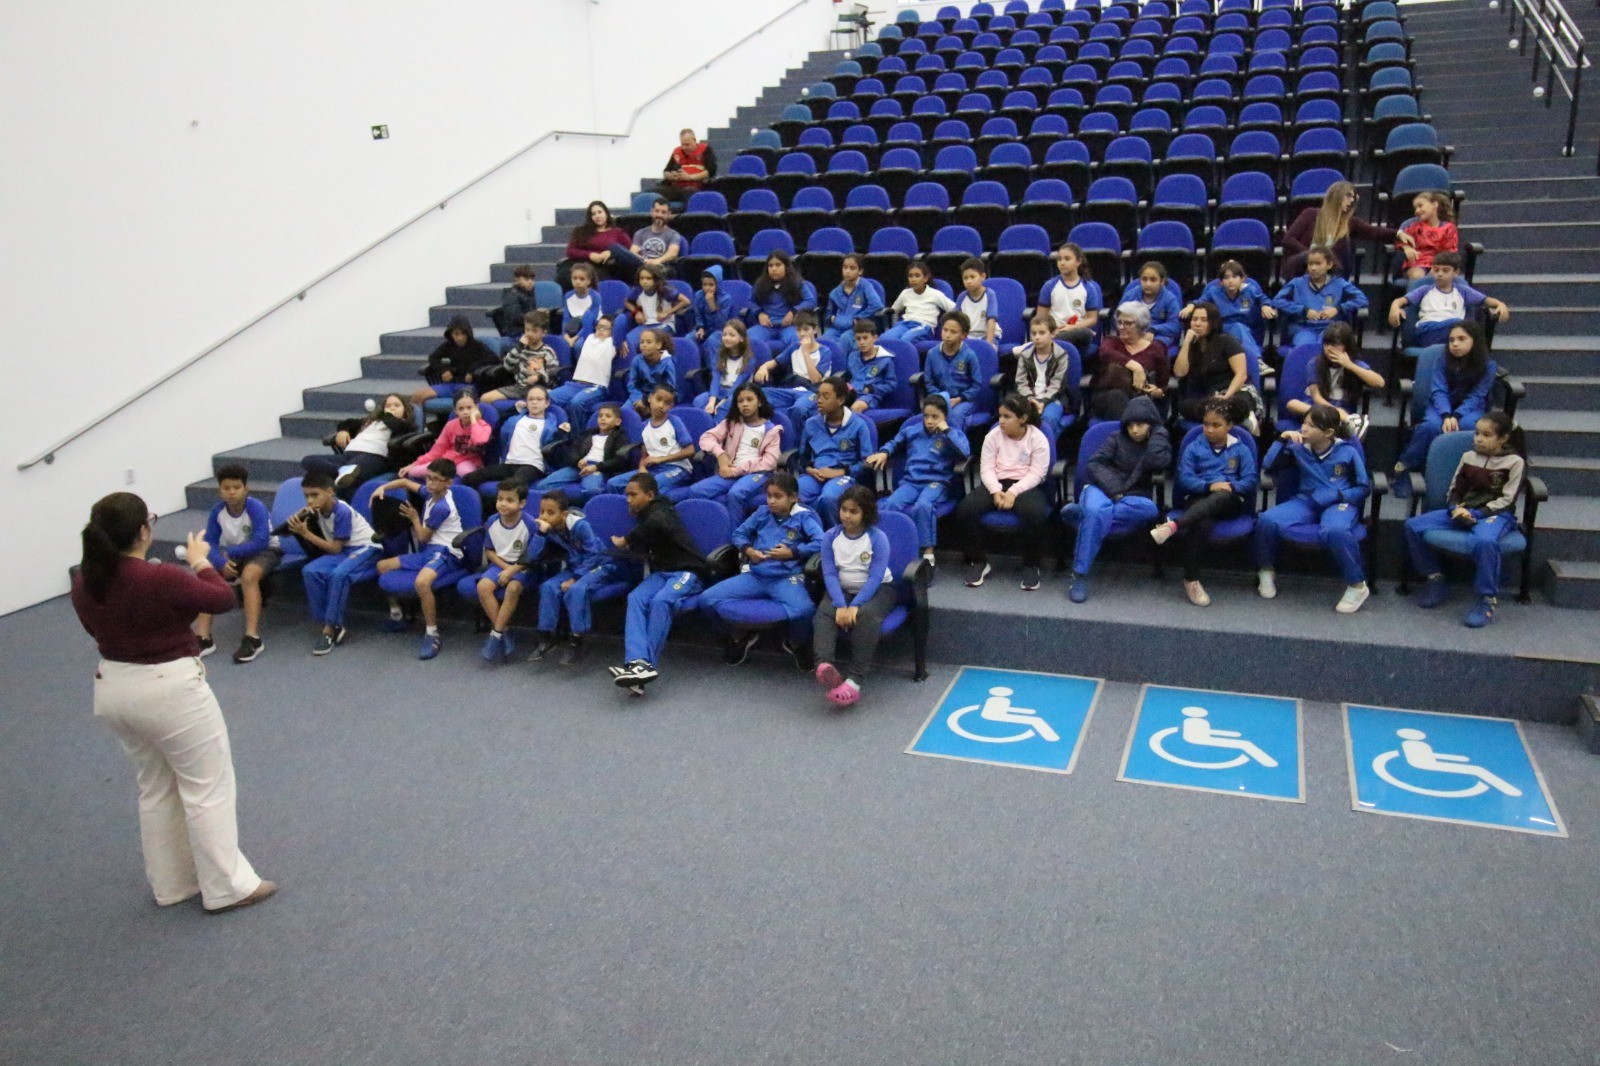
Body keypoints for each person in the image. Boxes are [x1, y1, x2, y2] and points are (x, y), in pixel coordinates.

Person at [71, 493, 276, 914]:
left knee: (155, 787)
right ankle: (227, 888)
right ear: (143, 531)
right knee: (207, 789)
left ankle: (172, 884)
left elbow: (95, 628)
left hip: (114, 689)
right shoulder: (158, 576)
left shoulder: (85, 581)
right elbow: (222, 599)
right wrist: (201, 562)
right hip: (169, 693)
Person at [1404, 411, 1527, 628]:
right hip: (1463, 510)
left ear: (1503, 438)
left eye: (1486, 435)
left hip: (1495, 515)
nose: (1478, 439)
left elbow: (1507, 499)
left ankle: (1486, 599)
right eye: (1477, 433)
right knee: (1413, 526)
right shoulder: (1468, 457)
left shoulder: (1514, 462)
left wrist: (1477, 514)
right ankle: (1435, 578)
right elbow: (1455, 489)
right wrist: (1455, 508)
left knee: (1486, 542)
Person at [1254, 406, 1373, 614]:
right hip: (1307, 501)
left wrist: (1338, 495)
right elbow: (1268, 465)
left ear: (1328, 433)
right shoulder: (1298, 448)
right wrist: (1281, 439)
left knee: (1335, 530)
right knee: (1267, 520)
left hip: (1338, 502)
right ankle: (1266, 570)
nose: (1304, 429)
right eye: (1304, 423)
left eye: (1311, 426)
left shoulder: (1347, 451)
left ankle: (1357, 585)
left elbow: (1364, 488)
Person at [700, 470, 823, 667]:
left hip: (785, 578)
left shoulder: (803, 517)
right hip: (756, 575)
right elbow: (738, 534)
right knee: (706, 600)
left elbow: (822, 542)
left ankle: (797, 642)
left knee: (805, 610)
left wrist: (793, 553)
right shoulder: (762, 512)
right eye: (769, 496)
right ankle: (738, 636)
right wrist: (748, 550)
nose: (772, 501)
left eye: (778, 496)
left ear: (793, 497)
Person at [608, 473, 715, 691]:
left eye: (633, 495)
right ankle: (636, 662)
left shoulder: (663, 509)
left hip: (688, 572)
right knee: (635, 598)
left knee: (661, 601)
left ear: (650, 495)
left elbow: (657, 524)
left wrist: (626, 539)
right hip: (662, 572)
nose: (628, 500)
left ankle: (645, 667)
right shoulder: (644, 516)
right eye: (627, 495)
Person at [1060, 395, 1170, 603]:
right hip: (1101, 489)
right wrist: (1114, 489)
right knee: (1096, 511)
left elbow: (1158, 462)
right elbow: (1094, 465)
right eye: (1130, 425)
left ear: (1151, 424)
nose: (1134, 430)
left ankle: (1082, 516)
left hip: (1132, 498)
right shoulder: (1115, 438)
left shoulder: (1157, 442)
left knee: (1150, 510)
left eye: (1140, 425)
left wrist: (1159, 433)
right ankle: (1080, 574)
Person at [1150, 398, 1259, 607]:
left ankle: (1174, 525)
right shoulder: (1194, 447)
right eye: (1206, 424)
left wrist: (1229, 486)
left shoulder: (1240, 449)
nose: (1209, 429)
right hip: (1200, 497)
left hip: (1230, 501)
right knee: (1201, 522)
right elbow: (1184, 479)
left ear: (1229, 426)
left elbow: (1250, 480)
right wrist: (1209, 486)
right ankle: (1191, 580)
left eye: (1216, 425)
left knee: (1222, 496)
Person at [371, 460, 469, 660]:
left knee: (422, 582)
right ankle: (397, 616)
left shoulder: (442, 507)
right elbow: (405, 483)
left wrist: (414, 518)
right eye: (428, 478)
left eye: (436, 479)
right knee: (382, 566)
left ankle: (432, 634)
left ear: (448, 483)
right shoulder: (430, 493)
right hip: (428, 553)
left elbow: (423, 537)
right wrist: (382, 488)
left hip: (446, 553)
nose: (430, 483)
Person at [812, 484, 898, 707]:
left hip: (879, 590)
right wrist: (840, 604)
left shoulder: (877, 538)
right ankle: (825, 666)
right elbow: (830, 573)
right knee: (824, 613)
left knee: (867, 615)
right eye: (844, 509)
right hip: (842, 590)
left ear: (865, 513)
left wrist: (855, 605)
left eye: (853, 511)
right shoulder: (830, 537)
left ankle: (855, 680)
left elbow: (876, 576)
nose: (847, 515)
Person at [959, 393, 1052, 591]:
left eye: (1007, 417)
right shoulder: (993, 436)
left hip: (1025, 484)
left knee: (1035, 513)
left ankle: (1031, 565)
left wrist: (1013, 492)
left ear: (1023, 419)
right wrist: (995, 491)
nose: (1001, 421)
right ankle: (978, 561)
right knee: (966, 509)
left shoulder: (1038, 438)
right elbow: (986, 468)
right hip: (996, 482)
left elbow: (1038, 473)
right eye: (1000, 415)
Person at [529, 489, 633, 666]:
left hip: (601, 566)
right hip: (576, 567)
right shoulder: (549, 529)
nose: (544, 517)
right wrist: (540, 534)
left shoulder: (580, 526)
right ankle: (547, 635)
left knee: (576, 589)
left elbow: (594, 555)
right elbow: (531, 556)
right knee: (548, 586)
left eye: (550, 512)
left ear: (564, 514)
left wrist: (574, 578)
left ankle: (577, 639)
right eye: (541, 511)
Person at [871, 394, 970, 563]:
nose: (930, 421)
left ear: (945, 416)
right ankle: (892, 547)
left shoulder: (952, 433)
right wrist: (884, 452)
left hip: (937, 482)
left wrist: (946, 431)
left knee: (923, 505)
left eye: (935, 417)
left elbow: (964, 452)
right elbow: (894, 442)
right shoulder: (912, 431)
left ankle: (927, 552)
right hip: (912, 481)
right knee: (891, 504)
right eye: (926, 416)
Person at [194, 465, 279, 663]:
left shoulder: (255, 507)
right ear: (220, 491)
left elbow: (261, 541)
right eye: (226, 488)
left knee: (249, 575)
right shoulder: (217, 511)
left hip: (267, 551)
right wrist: (221, 562)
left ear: (245, 489)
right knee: (207, 574)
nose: (231, 492)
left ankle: (253, 638)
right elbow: (210, 543)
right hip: (238, 553)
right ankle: (203, 637)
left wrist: (230, 553)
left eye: (236, 487)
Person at [293, 468, 383, 654]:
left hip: (367, 549)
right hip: (345, 551)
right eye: (306, 496)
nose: (310, 501)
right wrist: (299, 520)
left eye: (314, 495)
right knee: (310, 570)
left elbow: (335, 548)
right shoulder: (316, 510)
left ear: (330, 492)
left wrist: (306, 533)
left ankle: (329, 628)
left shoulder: (342, 511)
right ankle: (328, 620)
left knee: (339, 574)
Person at [1394, 322, 1498, 479]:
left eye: (1461, 339)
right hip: (1440, 406)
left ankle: (1465, 475)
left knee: (1468, 427)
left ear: (1475, 341)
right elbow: (1439, 390)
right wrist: (1446, 415)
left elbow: (1477, 395)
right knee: (1430, 427)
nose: (1455, 344)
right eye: (1451, 340)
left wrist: (1456, 415)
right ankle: (1406, 466)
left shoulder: (1488, 365)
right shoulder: (1441, 360)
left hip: (1470, 408)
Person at [681, 383, 782, 523]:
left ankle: (735, 534)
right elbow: (706, 438)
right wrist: (720, 454)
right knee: (696, 491)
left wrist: (736, 471)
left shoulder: (771, 430)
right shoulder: (731, 423)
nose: (745, 404)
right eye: (740, 401)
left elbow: (769, 463)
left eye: (749, 399)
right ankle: (711, 526)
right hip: (730, 471)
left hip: (757, 474)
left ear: (759, 402)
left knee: (736, 494)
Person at [474, 481, 543, 663]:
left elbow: (532, 556)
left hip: (523, 567)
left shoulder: (530, 524)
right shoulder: (492, 521)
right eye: (500, 499)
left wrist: (513, 570)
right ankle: (504, 631)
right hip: (500, 564)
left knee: (513, 588)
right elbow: (490, 551)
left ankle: (495, 634)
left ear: (521, 503)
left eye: (509, 500)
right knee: (483, 587)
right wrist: (506, 568)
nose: (503, 504)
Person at [1282, 180, 1405, 279]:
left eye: (1353, 197)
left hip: (1330, 270)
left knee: (1333, 263)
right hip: (1302, 266)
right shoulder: (1310, 214)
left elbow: (1373, 231)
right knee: (1321, 259)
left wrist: (1398, 233)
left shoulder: (1349, 222)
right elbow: (1288, 239)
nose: (1351, 200)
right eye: (1348, 196)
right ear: (1336, 196)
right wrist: (1312, 254)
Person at [1386, 251, 1509, 347]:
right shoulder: (1424, 290)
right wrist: (1394, 307)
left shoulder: (1462, 291)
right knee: (1462, 328)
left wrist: (1501, 305)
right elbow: (1399, 301)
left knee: (1462, 332)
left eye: (1445, 270)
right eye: (1436, 270)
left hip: (1456, 334)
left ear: (1456, 272)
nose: (1439, 274)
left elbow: (1487, 301)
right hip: (1428, 331)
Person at [302, 393, 413, 498]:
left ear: (405, 410)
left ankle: (346, 477)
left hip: (372, 456)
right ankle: (342, 470)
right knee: (308, 461)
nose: (392, 408)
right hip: (348, 455)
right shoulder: (371, 422)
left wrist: (387, 415)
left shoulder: (405, 425)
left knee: (343, 485)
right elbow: (349, 423)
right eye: (388, 406)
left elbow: (397, 427)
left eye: (396, 405)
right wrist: (343, 430)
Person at [1284, 322, 1384, 438]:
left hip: (1340, 407)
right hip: (1317, 408)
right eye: (1326, 344)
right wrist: (1336, 412)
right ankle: (1349, 420)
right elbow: (1316, 397)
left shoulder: (1354, 364)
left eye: (1335, 344)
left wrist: (1350, 365)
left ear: (1347, 346)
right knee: (1292, 404)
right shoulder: (1314, 364)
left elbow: (1380, 382)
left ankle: (1347, 421)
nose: (1329, 349)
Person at [798, 376, 875, 527]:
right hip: (816, 474)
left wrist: (839, 472)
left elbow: (867, 463)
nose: (819, 400)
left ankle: (834, 535)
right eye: (818, 395)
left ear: (840, 400)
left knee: (828, 497)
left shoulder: (859, 425)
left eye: (826, 397)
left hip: (844, 475)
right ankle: (809, 534)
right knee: (795, 493)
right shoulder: (811, 424)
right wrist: (809, 470)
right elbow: (802, 457)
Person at [462, 384, 569, 492]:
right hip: (509, 464)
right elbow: (498, 429)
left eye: (539, 399)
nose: (534, 402)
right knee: (469, 478)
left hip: (532, 466)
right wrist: (513, 410)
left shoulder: (551, 426)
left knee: (513, 485)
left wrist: (562, 433)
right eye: (531, 399)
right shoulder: (514, 420)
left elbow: (554, 448)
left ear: (547, 403)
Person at [1173, 301, 1255, 430]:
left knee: (1238, 404)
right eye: (1194, 319)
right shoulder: (1190, 347)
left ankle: (1239, 417)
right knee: (1185, 406)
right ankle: (1233, 419)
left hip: (1234, 393)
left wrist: (1226, 396)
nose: (1197, 323)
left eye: (1203, 320)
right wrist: (1186, 342)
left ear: (1213, 323)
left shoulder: (1227, 341)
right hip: (1209, 399)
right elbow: (1179, 373)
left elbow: (1241, 374)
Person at [1180, 260, 1275, 367]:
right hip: (1222, 329)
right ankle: (1257, 362)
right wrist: (1191, 305)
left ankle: (1251, 363)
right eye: (1226, 278)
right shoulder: (1214, 292)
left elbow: (1263, 299)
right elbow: (1201, 301)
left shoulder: (1250, 290)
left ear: (1242, 279)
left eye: (1234, 277)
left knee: (1239, 328)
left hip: (1246, 328)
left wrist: (1265, 305)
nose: (1230, 281)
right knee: (1237, 327)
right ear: (1221, 282)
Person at [1272, 247, 1369, 347]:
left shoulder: (1339, 284)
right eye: (1310, 264)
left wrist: (1338, 309)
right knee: (1304, 346)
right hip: (1304, 328)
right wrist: (1303, 311)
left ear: (1329, 265)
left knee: (1328, 346)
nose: (1313, 268)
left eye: (1318, 264)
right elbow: (1276, 301)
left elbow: (1362, 299)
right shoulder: (1297, 283)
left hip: (1330, 329)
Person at [536, 402, 632, 504]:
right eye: (600, 416)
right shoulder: (588, 434)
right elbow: (573, 449)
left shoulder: (620, 437)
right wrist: (577, 461)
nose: (603, 419)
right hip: (579, 466)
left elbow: (619, 460)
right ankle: (561, 502)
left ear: (617, 422)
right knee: (542, 486)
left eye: (608, 416)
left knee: (592, 491)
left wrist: (596, 467)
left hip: (598, 468)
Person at [1090, 302, 1170, 422]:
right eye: (1119, 322)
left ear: (1141, 325)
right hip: (1106, 398)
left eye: (1127, 323)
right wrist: (1136, 367)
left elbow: (1162, 386)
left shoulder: (1156, 348)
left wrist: (1156, 392)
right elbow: (1105, 352)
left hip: (1142, 401)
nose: (1121, 327)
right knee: (1116, 393)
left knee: (1135, 402)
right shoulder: (1111, 342)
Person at [608, 384, 694, 495]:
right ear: (650, 398)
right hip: (653, 469)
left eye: (667, 403)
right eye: (658, 399)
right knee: (613, 483)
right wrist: (642, 467)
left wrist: (661, 459)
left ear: (671, 406)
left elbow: (690, 450)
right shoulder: (644, 426)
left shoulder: (674, 421)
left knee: (648, 487)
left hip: (678, 467)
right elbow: (644, 454)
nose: (661, 405)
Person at [411, 315, 497, 414]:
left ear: (468, 333)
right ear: (451, 334)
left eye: (463, 334)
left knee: (463, 403)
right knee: (418, 396)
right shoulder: (448, 346)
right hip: (451, 384)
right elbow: (433, 358)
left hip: (470, 386)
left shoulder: (478, 346)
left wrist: (473, 371)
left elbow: (494, 359)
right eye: (456, 334)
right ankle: (413, 421)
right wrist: (444, 370)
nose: (460, 338)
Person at [550, 313, 622, 429]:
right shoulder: (589, 338)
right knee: (549, 398)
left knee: (576, 403)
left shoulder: (612, 343)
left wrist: (622, 341)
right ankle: (558, 433)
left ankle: (580, 437)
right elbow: (588, 316)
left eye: (605, 328)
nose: (601, 330)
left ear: (612, 331)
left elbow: (621, 324)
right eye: (599, 327)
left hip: (597, 386)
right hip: (576, 385)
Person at [1011, 313, 1074, 444]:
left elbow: (1057, 384)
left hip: (1053, 399)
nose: (1037, 337)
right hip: (1029, 398)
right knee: (1016, 418)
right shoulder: (1025, 355)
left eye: (1042, 333)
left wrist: (1043, 402)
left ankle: (1046, 451)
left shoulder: (1061, 356)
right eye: (1033, 333)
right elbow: (1021, 383)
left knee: (1049, 419)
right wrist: (1031, 399)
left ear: (1053, 333)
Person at [401, 390, 492, 480]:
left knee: (466, 473)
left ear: (476, 408)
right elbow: (437, 450)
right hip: (448, 461)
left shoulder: (484, 426)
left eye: (469, 408)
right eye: (461, 409)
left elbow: (478, 440)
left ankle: (447, 478)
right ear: (455, 411)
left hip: (468, 462)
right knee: (413, 471)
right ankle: (441, 477)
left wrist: (473, 420)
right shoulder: (451, 425)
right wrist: (414, 464)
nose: (465, 412)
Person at [754, 310, 832, 415]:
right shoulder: (795, 347)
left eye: (806, 329)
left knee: (799, 408)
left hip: (812, 392)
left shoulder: (825, 352)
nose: (802, 334)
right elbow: (775, 362)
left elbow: (815, 380)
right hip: (791, 389)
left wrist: (805, 353)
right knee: (757, 396)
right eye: (799, 330)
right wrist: (763, 367)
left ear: (815, 330)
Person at [480, 311, 561, 406]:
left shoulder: (548, 352)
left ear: (543, 333)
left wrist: (538, 378)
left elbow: (553, 375)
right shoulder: (520, 348)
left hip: (540, 389)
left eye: (534, 331)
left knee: (538, 399)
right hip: (520, 388)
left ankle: (524, 407)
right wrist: (519, 348)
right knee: (484, 398)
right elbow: (507, 367)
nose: (530, 334)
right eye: (527, 330)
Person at [922, 311, 983, 433]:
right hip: (939, 399)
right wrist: (940, 398)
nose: (947, 335)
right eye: (945, 330)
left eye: (953, 332)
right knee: (930, 415)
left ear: (963, 335)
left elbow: (976, 385)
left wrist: (960, 398)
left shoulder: (969, 355)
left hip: (963, 401)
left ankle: (955, 443)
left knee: (954, 415)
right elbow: (929, 381)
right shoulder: (932, 353)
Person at [1037, 241, 1101, 356]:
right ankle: (1051, 343)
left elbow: (1092, 319)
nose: (1062, 263)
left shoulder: (1088, 287)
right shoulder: (1049, 286)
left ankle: (1046, 345)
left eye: (1067, 259)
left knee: (1084, 334)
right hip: (1055, 331)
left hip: (1078, 332)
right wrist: (1052, 330)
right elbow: (1041, 317)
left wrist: (1071, 328)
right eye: (1059, 259)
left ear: (1078, 261)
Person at [748, 251, 818, 349]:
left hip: (790, 326)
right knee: (746, 339)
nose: (774, 269)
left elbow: (810, 301)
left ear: (786, 267)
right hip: (766, 326)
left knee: (799, 340)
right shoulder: (760, 284)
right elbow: (750, 301)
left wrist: (793, 312)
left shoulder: (796, 283)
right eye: (770, 266)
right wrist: (759, 313)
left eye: (778, 265)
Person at [562, 200, 642, 286]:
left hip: (609, 266)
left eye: (600, 212)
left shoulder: (618, 232)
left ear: (606, 213)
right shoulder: (581, 231)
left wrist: (611, 253)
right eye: (593, 214)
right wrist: (590, 255)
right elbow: (570, 251)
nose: (597, 216)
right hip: (586, 264)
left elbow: (628, 253)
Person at [883, 259, 957, 345]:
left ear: (926, 278)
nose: (913, 279)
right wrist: (894, 325)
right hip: (905, 324)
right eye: (910, 276)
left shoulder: (935, 294)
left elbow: (954, 308)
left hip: (924, 326)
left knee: (906, 339)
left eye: (917, 276)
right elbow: (894, 311)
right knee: (884, 339)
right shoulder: (905, 293)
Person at [821, 253, 885, 346]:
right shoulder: (835, 292)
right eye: (845, 267)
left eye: (852, 268)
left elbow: (877, 305)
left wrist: (859, 318)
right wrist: (832, 319)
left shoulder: (865, 286)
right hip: (837, 327)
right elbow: (828, 314)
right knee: (824, 341)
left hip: (857, 328)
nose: (847, 271)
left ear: (860, 271)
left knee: (844, 341)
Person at [699, 319, 756, 416]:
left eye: (732, 335)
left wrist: (724, 401)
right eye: (724, 335)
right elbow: (716, 379)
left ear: (741, 338)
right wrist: (712, 402)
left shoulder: (749, 360)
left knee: (726, 406)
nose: (727, 338)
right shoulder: (719, 356)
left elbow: (738, 385)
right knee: (699, 401)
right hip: (720, 390)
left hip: (738, 392)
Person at [842, 317, 899, 414]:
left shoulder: (885, 359)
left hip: (871, 396)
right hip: (852, 393)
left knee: (856, 407)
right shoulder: (852, 356)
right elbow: (848, 376)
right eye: (858, 339)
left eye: (865, 338)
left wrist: (872, 389)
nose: (862, 342)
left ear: (874, 338)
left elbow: (891, 384)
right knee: (831, 405)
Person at [1119, 261, 1183, 346]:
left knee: (1149, 347)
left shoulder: (1169, 298)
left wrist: (1154, 329)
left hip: (1158, 337)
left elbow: (1175, 325)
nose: (1148, 284)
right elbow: (1117, 318)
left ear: (1162, 282)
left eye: (1153, 280)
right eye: (1144, 279)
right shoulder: (1130, 295)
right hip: (1132, 335)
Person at [1399, 190, 1459, 280]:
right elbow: (1401, 238)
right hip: (1417, 264)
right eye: (1415, 208)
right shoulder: (1414, 227)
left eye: (1420, 206)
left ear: (1435, 204)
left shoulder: (1449, 228)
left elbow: (1450, 252)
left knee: (1440, 275)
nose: (1417, 211)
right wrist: (1406, 247)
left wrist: (1436, 268)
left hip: (1441, 265)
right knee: (1417, 276)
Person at [624, 264, 690, 341]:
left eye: (648, 278)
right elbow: (626, 302)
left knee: (651, 339)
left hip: (664, 324)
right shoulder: (638, 290)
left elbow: (686, 301)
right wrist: (636, 312)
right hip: (645, 325)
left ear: (656, 280)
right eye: (641, 278)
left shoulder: (665, 290)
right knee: (630, 340)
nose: (644, 282)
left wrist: (667, 313)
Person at [625, 327, 679, 418]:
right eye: (642, 342)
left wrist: (647, 401)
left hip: (661, 398)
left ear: (658, 345)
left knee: (657, 415)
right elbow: (632, 384)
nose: (644, 345)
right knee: (625, 413)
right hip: (639, 396)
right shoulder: (637, 360)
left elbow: (669, 388)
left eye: (648, 342)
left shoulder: (667, 362)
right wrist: (638, 398)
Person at [490, 265, 541, 353]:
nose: (530, 282)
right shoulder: (511, 295)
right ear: (517, 280)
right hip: (516, 333)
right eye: (526, 279)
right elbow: (516, 317)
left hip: (529, 329)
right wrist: (535, 316)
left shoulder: (529, 294)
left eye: (532, 279)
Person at [659, 127, 718, 202]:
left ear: (694, 140)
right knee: (655, 192)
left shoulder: (705, 150)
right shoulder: (677, 152)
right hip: (677, 186)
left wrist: (689, 177)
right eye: (682, 145)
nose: (684, 147)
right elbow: (666, 171)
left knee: (688, 191)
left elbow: (711, 171)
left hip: (696, 187)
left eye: (687, 145)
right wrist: (671, 176)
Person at [629, 198, 685, 273]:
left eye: (663, 212)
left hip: (661, 269)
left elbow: (673, 254)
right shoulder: (640, 233)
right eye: (657, 211)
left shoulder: (674, 235)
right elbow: (633, 252)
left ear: (669, 214)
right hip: (642, 267)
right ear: (652, 212)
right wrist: (645, 261)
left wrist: (657, 261)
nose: (659, 215)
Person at [957, 257, 1001, 346]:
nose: (969, 281)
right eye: (965, 278)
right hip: (968, 336)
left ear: (983, 276)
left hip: (987, 335)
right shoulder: (962, 297)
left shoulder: (989, 295)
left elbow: (991, 320)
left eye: (972, 277)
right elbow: (955, 319)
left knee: (991, 349)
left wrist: (988, 344)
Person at [691, 265, 735, 343]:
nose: (707, 288)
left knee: (712, 341)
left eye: (711, 285)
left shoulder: (726, 299)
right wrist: (700, 328)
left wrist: (712, 304)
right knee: (689, 338)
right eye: (704, 284)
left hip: (722, 330)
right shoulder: (699, 295)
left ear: (718, 284)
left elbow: (721, 324)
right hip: (704, 329)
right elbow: (698, 316)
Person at [560, 262, 601, 342]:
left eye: (582, 279)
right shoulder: (568, 296)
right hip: (572, 330)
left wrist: (574, 339)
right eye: (574, 278)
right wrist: (565, 336)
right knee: (561, 344)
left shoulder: (595, 297)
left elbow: (589, 323)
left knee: (578, 346)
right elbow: (565, 319)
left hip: (589, 331)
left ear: (588, 281)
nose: (577, 282)